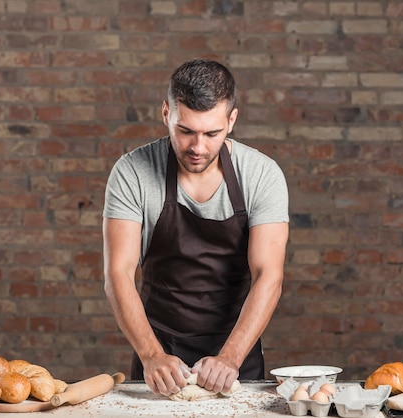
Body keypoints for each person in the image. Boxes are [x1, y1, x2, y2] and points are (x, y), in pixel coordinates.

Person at [102, 58, 289, 397]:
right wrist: (151, 354)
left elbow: (269, 276)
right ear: (166, 114)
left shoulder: (262, 175)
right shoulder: (132, 172)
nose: (198, 148)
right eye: (185, 131)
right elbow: (118, 272)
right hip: (157, 354)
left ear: (231, 120)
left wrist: (230, 358)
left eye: (212, 133)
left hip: (236, 357)